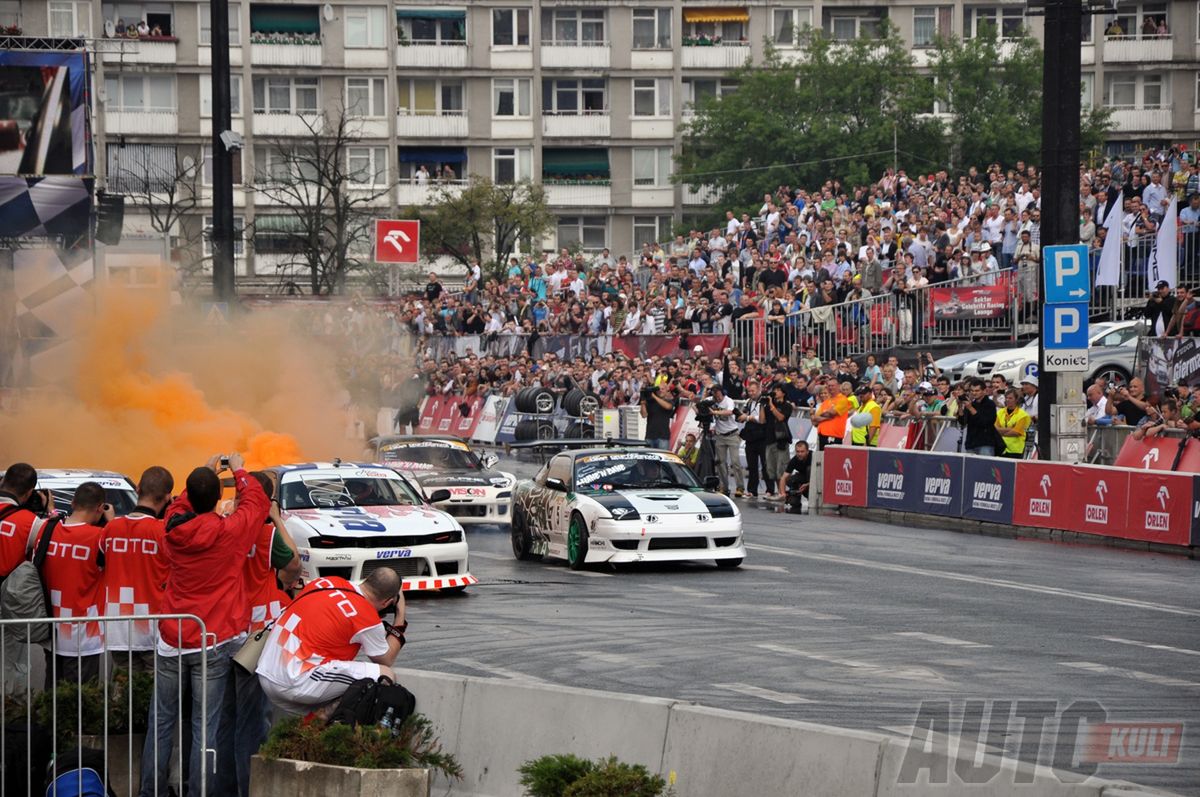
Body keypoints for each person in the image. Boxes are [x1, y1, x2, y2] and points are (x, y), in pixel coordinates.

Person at [141, 453, 269, 797]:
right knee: (205, 728)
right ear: (216, 499)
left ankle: (148, 791)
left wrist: (203, 473)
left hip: (172, 635)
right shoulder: (230, 533)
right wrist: (238, 471)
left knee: (161, 721)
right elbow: (257, 503)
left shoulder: (173, 529)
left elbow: (178, 506)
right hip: (212, 640)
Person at [219, 472, 298, 797]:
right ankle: (248, 788)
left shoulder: (222, 527)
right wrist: (277, 519)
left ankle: (220, 788)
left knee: (224, 717)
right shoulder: (265, 533)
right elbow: (292, 564)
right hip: (255, 637)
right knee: (252, 721)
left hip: (221, 629)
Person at [256, 568, 405, 716]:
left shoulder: (325, 582)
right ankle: (325, 723)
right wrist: (400, 616)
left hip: (265, 672)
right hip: (293, 679)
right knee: (384, 675)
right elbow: (386, 659)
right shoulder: (366, 616)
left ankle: (310, 726)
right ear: (387, 602)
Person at [35, 481, 111, 686]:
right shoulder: (100, 537)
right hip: (84, 636)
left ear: (72, 502)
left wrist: (51, 511)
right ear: (99, 508)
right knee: (82, 704)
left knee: (52, 699)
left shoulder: (45, 530)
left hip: (51, 629)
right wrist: (110, 522)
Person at [99, 466, 174, 673]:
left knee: (124, 695)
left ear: (138, 488)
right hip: (152, 628)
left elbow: (101, 562)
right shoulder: (163, 532)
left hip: (117, 626)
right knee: (153, 693)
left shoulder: (111, 528)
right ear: (168, 497)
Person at [0, 463, 50, 694]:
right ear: (30, 492)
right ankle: (11, 716)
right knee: (13, 661)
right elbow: (47, 547)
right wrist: (49, 512)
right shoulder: (30, 522)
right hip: (10, 600)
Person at [707, 385, 744, 496]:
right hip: (720, 435)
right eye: (715, 395)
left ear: (722, 393)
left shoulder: (729, 401)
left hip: (732, 434)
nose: (717, 398)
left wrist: (714, 413)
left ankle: (740, 487)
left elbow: (730, 412)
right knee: (720, 462)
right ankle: (724, 487)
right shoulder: (712, 400)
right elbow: (697, 405)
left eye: (718, 395)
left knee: (735, 462)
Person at [738, 381, 769, 497]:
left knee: (766, 465)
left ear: (759, 389)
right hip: (750, 436)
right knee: (752, 465)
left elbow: (763, 419)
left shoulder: (764, 401)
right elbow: (743, 415)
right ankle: (752, 490)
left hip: (763, 436)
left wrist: (748, 417)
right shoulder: (748, 401)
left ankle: (769, 490)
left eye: (753, 391)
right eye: (749, 391)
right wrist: (741, 416)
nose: (751, 393)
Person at [763, 383, 794, 500]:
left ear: (783, 393)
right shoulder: (769, 405)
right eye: (774, 389)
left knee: (781, 467)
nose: (775, 392)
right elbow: (762, 420)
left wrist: (771, 405)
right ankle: (779, 491)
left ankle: (782, 492)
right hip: (769, 438)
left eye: (778, 390)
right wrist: (763, 406)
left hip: (781, 439)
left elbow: (781, 418)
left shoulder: (787, 406)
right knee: (772, 469)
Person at [959, 378, 998, 456]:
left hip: (985, 443)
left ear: (984, 391)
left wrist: (971, 408)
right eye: (972, 391)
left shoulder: (990, 404)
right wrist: (960, 405)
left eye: (977, 391)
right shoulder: (971, 404)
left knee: (985, 468)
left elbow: (985, 422)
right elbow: (963, 422)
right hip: (971, 443)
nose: (974, 393)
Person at [812, 381, 852, 449]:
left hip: (833, 435)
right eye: (829, 386)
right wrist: (826, 417)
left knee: (832, 458)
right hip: (822, 434)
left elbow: (832, 413)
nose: (830, 387)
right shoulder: (826, 401)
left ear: (838, 386)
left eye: (833, 385)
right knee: (822, 457)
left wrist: (824, 414)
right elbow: (815, 419)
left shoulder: (843, 399)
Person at [994, 388, 1032, 459]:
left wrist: (1001, 432)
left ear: (1016, 399)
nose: (1007, 400)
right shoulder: (1000, 412)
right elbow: (995, 429)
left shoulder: (1023, 415)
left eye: (1010, 398)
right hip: (1001, 448)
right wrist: (1011, 429)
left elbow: (1016, 432)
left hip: (1015, 450)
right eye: (1006, 398)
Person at [641, 381, 677, 450]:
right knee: (648, 460)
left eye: (662, 389)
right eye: (658, 389)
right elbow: (644, 415)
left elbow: (668, 407)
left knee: (663, 459)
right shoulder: (650, 402)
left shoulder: (669, 401)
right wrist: (643, 402)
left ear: (667, 390)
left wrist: (654, 396)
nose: (660, 391)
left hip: (663, 437)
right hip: (650, 436)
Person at [778, 440, 811, 514]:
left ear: (807, 451)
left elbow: (821, 477)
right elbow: (783, 478)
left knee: (809, 469)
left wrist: (808, 484)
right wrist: (783, 494)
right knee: (790, 479)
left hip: (812, 480)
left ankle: (809, 495)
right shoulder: (794, 460)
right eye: (798, 451)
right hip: (802, 479)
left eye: (802, 451)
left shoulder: (813, 457)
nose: (799, 454)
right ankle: (796, 495)